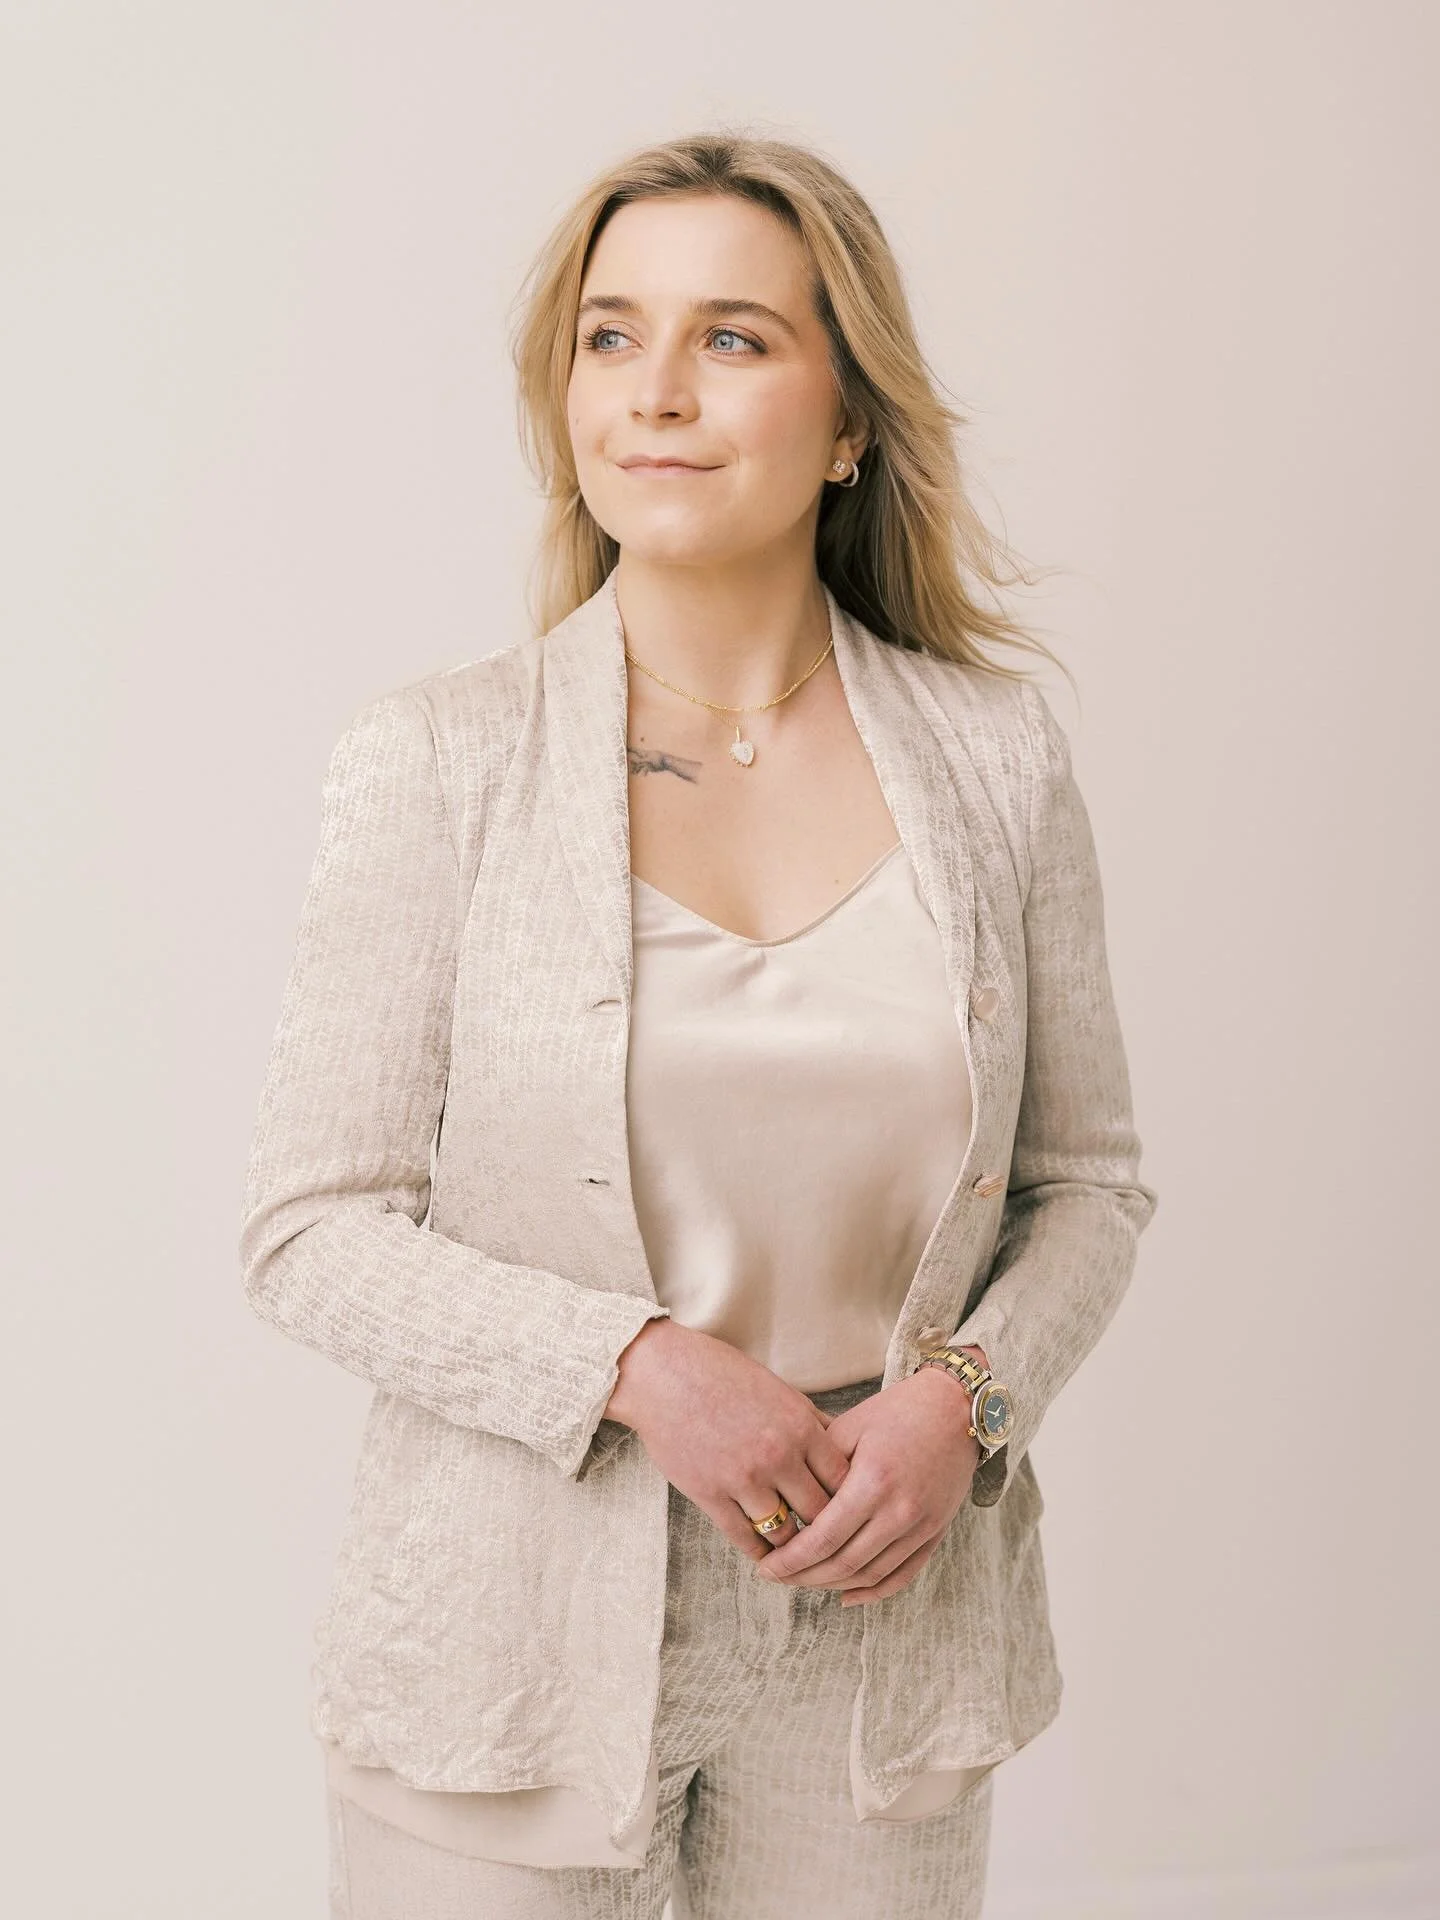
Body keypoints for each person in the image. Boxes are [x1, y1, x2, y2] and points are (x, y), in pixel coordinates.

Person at [239, 129, 1159, 1920]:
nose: (655, 392)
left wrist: (963, 1409)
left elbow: (1089, 1185)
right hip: (506, 1648)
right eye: (609, 336)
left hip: (879, 1648)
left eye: (733, 338)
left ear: (851, 420)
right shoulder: (438, 761)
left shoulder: (994, 759)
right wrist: (640, 1369)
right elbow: (307, 1228)